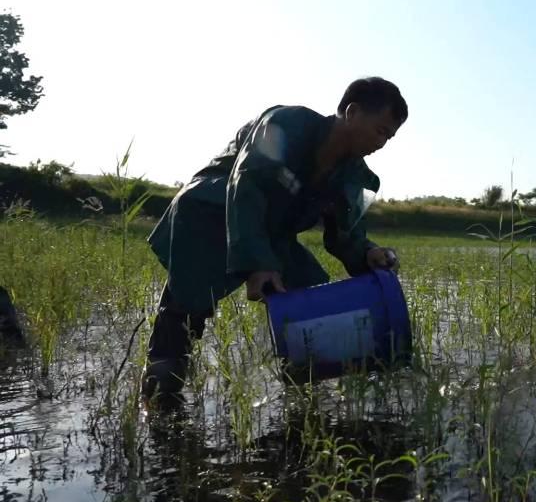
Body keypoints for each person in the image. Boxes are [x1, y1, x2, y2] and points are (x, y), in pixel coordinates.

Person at [143, 77, 407, 399]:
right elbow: (246, 187)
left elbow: (345, 233)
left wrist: (368, 254)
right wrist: (258, 264)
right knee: (186, 306)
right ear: (352, 112)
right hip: (213, 212)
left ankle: (302, 384)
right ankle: (159, 395)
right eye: (380, 131)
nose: (382, 143)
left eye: (390, 137)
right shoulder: (285, 124)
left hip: (272, 233)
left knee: (311, 298)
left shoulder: (350, 175)